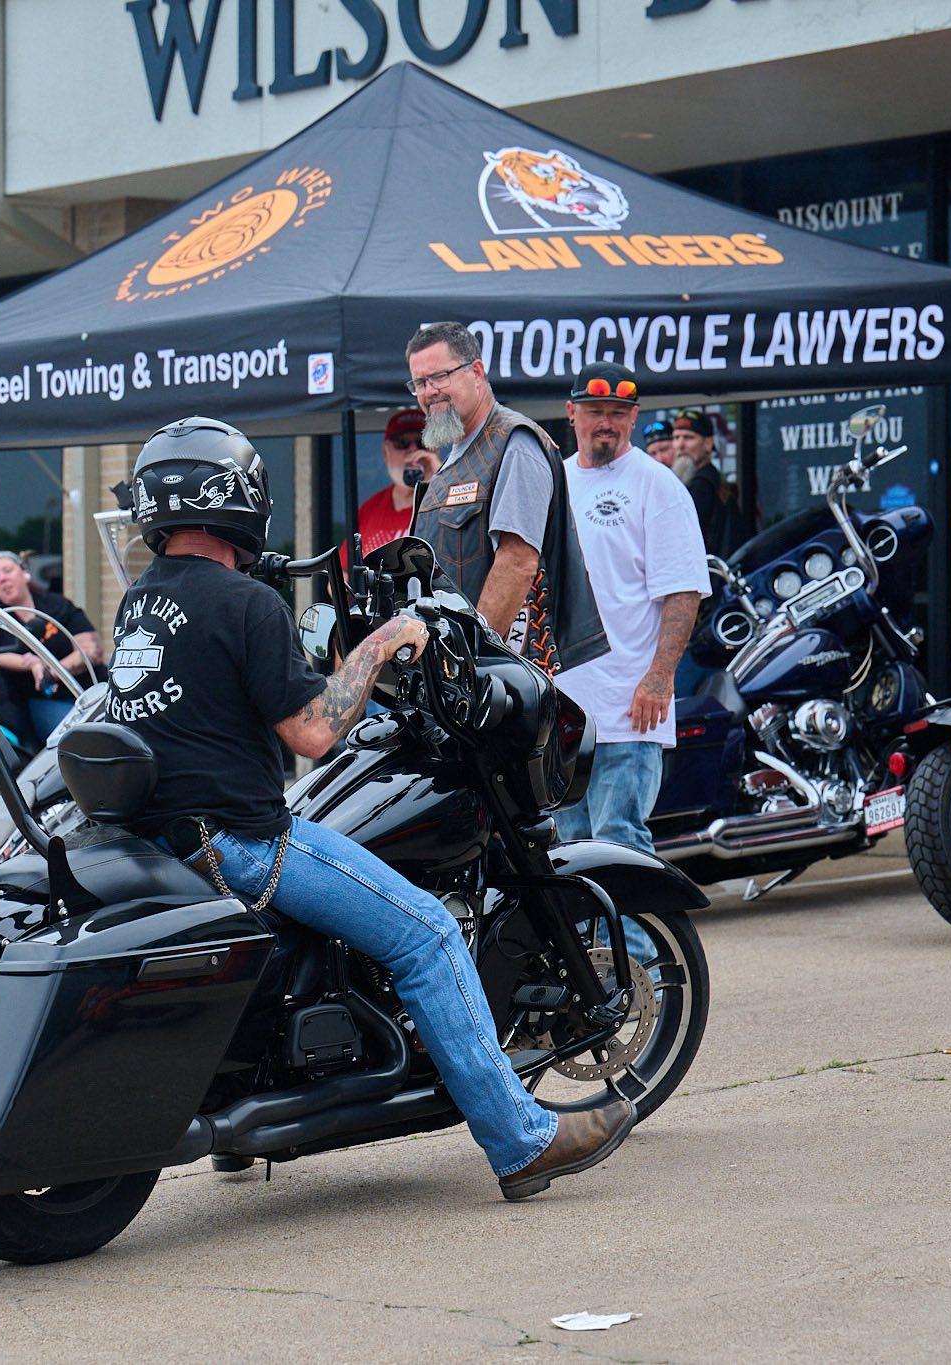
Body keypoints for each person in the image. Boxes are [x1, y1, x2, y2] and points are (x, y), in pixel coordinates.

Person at [113, 416, 635, 1200]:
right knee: (426, 933)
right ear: (234, 499)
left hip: (169, 841)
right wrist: (389, 639)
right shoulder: (245, 602)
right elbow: (317, 729)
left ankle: (241, 1124)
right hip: (244, 843)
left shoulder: (141, 604)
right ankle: (523, 1139)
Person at [552, 367, 710, 852]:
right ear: (571, 413)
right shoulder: (551, 482)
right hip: (560, 713)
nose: (606, 422)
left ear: (634, 418)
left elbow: (683, 591)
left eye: (618, 414)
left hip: (628, 709)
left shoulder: (657, 486)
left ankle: (641, 935)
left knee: (620, 847)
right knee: (567, 857)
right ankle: (592, 936)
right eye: (596, 411)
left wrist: (660, 678)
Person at [401, 321, 606, 676]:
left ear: (476, 372)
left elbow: (517, 561)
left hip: (500, 684)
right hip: (455, 685)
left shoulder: (516, 443)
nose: (429, 391)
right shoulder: (452, 461)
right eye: (420, 382)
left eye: (440, 376)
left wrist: (471, 663)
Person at [0, 551, 101, 750]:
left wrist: (52, 671)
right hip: (41, 702)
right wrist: (31, 663)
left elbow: (91, 650)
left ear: (25, 574)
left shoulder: (56, 605)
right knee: (84, 742)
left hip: (90, 691)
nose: (2, 578)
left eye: (7, 570)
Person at [353, 408, 438, 557]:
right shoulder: (370, 509)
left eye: (422, 442)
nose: (412, 450)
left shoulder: (445, 501)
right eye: (402, 443)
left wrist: (439, 477)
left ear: (435, 450)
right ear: (386, 453)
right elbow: (345, 571)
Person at [670, 409, 747, 558]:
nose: (680, 445)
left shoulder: (702, 485)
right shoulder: (713, 479)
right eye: (676, 437)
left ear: (708, 444)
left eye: (688, 437)